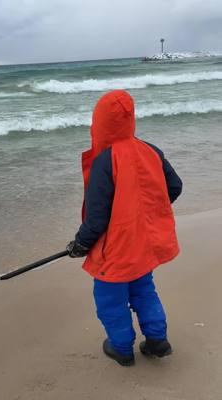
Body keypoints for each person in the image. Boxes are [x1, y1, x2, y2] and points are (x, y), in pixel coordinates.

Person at [66, 90, 182, 367]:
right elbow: (174, 187)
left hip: (116, 250)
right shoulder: (149, 149)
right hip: (144, 243)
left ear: (101, 124)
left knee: (110, 299)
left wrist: (80, 244)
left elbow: (96, 219)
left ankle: (121, 349)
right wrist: (147, 215)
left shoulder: (105, 160)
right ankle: (157, 341)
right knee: (144, 289)